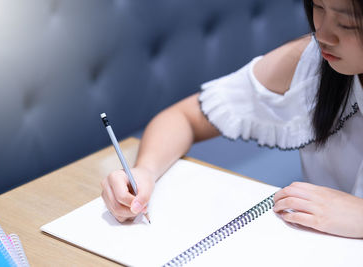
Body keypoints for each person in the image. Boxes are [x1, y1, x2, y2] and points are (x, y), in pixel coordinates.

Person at [101, 0, 363, 238]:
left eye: (346, 22)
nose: (324, 35)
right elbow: (183, 117)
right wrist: (144, 171)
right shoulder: (310, 63)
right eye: (318, 7)